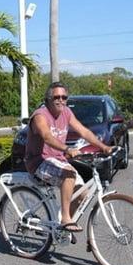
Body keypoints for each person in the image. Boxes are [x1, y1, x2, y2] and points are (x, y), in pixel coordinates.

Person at [24, 82, 113, 232]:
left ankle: (59, 227)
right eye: (56, 97)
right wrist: (67, 148)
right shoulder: (40, 115)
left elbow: (83, 131)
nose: (61, 100)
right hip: (39, 161)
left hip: (58, 160)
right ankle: (66, 218)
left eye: (64, 97)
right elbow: (46, 137)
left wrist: (103, 147)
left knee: (82, 195)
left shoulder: (66, 112)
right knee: (69, 175)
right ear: (48, 99)